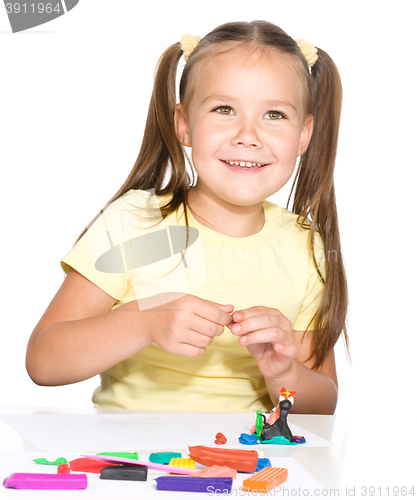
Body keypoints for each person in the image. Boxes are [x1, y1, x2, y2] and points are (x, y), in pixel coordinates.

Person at [26, 20, 348, 414]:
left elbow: (322, 404)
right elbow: (43, 360)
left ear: (304, 134)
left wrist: (285, 374)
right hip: (133, 463)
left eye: (275, 115)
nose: (248, 135)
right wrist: (142, 323)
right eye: (224, 109)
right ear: (184, 124)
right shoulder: (135, 223)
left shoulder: (305, 245)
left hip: (248, 465)